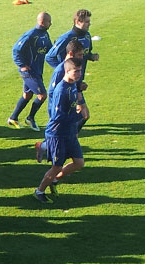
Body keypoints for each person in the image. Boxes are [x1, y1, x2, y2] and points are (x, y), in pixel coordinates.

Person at [33, 58, 85, 203]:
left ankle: (54, 180)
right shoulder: (61, 90)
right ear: (67, 71)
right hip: (57, 133)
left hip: (68, 131)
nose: (79, 74)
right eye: (76, 71)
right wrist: (78, 116)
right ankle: (39, 191)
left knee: (79, 163)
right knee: (57, 166)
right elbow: (57, 117)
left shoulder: (73, 84)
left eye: (80, 70)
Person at [46, 9, 99, 133]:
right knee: (62, 118)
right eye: (86, 22)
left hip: (77, 81)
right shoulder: (66, 38)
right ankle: (56, 141)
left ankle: (70, 137)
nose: (89, 24)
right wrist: (66, 70)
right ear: (77, 21)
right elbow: (49, 57)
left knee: (84, 114)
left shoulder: (87, 36)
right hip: (66, 83)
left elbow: (86, 53)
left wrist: (91, 56)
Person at [35, 40, 85, 163]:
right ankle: (56, 168)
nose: (82, 58)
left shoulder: (73, 67)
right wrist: (58, 108)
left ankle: (47, 149)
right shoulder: (60, 70)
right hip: (59, 108)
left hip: (70, 103)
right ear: (71, 54)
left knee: (78, 123)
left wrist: (78, 90)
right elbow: (53, 92)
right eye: (80, 55)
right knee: (62, 133)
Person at [7, 12, 52, 131]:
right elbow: (16, 50)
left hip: (37, 71)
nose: (51, 24)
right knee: (42, 95)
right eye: (49, 21)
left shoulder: (45, 35)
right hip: (29, 72)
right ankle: (30, 118)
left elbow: (49, 50)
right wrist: (22, 65)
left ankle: (13, 118)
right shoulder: (31, 35)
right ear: (42, 22)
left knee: (27, 95)